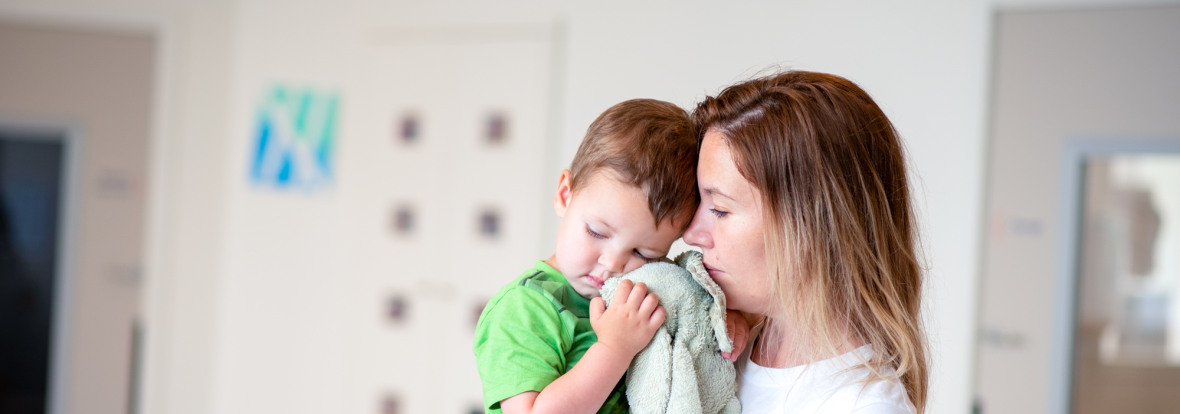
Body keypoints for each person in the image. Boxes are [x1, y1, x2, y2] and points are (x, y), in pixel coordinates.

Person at [683, 70, 929, 413]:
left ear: (813, 226)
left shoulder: (862, 406)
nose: (691, 233)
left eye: (720, 210)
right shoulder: (716, 350)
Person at [473, 98, 701, 414]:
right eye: (597, 232)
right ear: (565, 194)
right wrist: (614, 348)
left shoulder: (644, 294)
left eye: (642, 253)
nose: (612, 263)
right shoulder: (524, 308)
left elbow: (695, 313)